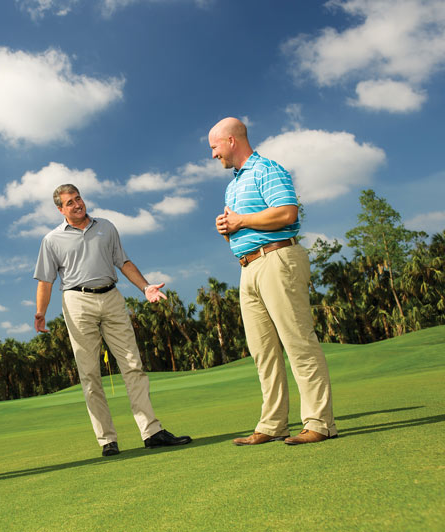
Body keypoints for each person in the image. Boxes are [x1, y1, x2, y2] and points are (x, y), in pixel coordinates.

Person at [34, 184, 192, 457]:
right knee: (90, 374)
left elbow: (124, 262)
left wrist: (145, 288)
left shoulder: (106, 227)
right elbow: (46, 281)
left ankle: (152, 432)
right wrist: (41, 312)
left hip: (112, 298)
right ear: (60, 209)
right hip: (77, 301)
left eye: (78, 198)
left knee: (133, 365)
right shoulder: (51, 240)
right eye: (69, 203)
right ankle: (107, 440)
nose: (77, 205)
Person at [208, 117, 338, 446]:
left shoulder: (267, 169)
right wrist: (228, 229)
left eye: (214, 147)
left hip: (278, 259)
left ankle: (320, 423)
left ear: (232, 141)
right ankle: (273, 424)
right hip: (248, 267)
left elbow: (287, 213)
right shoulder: (233, 184)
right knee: (262, 351)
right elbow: (240, 227)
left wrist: (240, 220)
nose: (213, 155)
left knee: (297, 342)